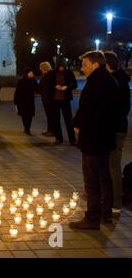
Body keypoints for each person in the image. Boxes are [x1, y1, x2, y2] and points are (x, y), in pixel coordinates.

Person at [69, 51, 120, 230]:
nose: (82, 68)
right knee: (104, 177)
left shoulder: (95, 83)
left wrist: (77, 124)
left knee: (91, 180)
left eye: (85, 64)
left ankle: (92, 218)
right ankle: (105, 214)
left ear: (95, 64)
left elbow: (86, 108)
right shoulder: (110, 81)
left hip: (93, 139)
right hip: (105, 138)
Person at [105, 51, 131, 212]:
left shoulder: (115, 82)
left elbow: (119, 108)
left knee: (113, 165)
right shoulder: (119, 79)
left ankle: (115, 202)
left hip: (115, 129)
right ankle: (110, 197)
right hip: (117, 127)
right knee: (110, 164)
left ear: (107, 65)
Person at [48, 60, 78, 145]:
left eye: (63, 66)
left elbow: (74, 84)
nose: (61, 68)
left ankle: (72, 139)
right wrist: (55, 86)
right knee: (56, 120)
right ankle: (58, 138)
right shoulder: (52, 73)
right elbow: (49, 84)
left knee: (68, 120)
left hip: (65, 99)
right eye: (60, 66)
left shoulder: (69, 73)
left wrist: (67, 87)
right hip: (55, 100)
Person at [14, 68, 38, 135]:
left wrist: (34, 80)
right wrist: (15, 101)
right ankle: (26, 128)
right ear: (27, 73)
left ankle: (28, 129)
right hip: (22, 101)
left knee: (29, 115)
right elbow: (17, 92)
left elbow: (37, 89)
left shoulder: (33, 81)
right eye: (30, 72)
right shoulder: (21, 81)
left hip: (30, 101)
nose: (32, 74)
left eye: (32, 73)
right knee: (24, 115)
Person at [38, 62, 55, 137]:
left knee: (51, 116)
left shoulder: (50, 75)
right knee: (49, 115)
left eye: (41, 68)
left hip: (49, 99)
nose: (41, 70)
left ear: (45, 68)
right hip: (45, 98)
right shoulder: (45, 75)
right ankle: (49, 130)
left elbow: (48, 87)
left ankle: (52, 131)